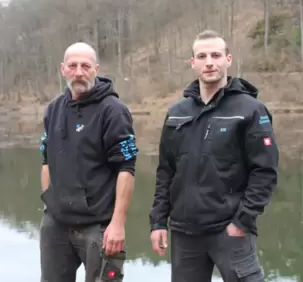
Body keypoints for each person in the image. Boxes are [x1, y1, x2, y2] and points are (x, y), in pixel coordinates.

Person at [149, 30, 279, 282]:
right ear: (193, 63)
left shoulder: (250, 110)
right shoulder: (177, 112)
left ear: (228, 60)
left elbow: (265, 171)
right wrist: (157, 222)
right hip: (185, 233)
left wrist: (242, 221)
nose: (209, 61)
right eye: (202, 56)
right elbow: (166, 171)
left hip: (230, 231)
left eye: (216, 55)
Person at [39, 42, 138, 282]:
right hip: (57, 226)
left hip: (99, 227)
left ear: (96, 68)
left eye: (85, 66)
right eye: (73, 66)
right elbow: (45, 160)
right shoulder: (53, 109)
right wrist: (48, 207)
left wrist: (117, 224)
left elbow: (126, 168)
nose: (79, 72)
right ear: (63, 69)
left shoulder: (113, 111)